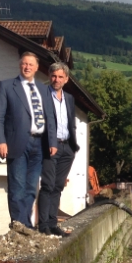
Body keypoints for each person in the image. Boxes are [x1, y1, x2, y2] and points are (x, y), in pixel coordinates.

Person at [0, 52, 57, 227]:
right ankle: (18, 224)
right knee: (17, 186)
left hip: (40, 144)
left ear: (36, 68)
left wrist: (52, 141)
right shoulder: (6, 86)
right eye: (24, 64)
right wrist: (0, 141)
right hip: (17, 142)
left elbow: (50, 117)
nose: (27, 67)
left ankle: (25, 223)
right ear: (20, 65)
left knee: (31, 187)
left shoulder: (44, 89)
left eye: (31, 64)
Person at [38, 62, 79, 236]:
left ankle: (53, 223)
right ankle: (43, 226)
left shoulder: (69, 98)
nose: (57, 79)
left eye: (60, 77)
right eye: (54, 76)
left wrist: (72, 146)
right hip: (50, 146)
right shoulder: (42, 95)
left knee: (58, 186)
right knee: (47, 185)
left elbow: (70, 122)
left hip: (67, 147)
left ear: (66, 79)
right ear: (49, 76)